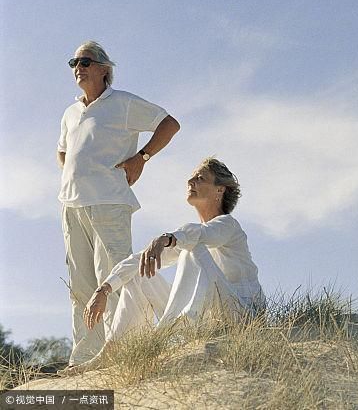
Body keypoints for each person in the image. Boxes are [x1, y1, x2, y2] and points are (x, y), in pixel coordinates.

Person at [57, 40, 181, 366]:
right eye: (74, 62)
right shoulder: (71, 113)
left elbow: (169, 123)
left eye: (85, 61)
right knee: (80, 286)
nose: (78, 68)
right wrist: (75, 173)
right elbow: (62, 151)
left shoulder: (122, 103)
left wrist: (142, 157)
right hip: (71, 206)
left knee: (110, 278)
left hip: (110, 203)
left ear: (104, 69)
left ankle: (119, 352)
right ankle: (84, 359)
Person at [78, 158, 263, 371]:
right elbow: (140, 259)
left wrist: (165, 239)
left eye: (200, 178)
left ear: (220, 190)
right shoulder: (188, 236)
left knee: (192, 248)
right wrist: (105, 289)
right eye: (192, 177)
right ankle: (111, 353)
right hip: (205, 322)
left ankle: (167, 333)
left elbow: (202, 234)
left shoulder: (228, 225)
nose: (190, 180)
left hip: (242, 316)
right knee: (141, 275)